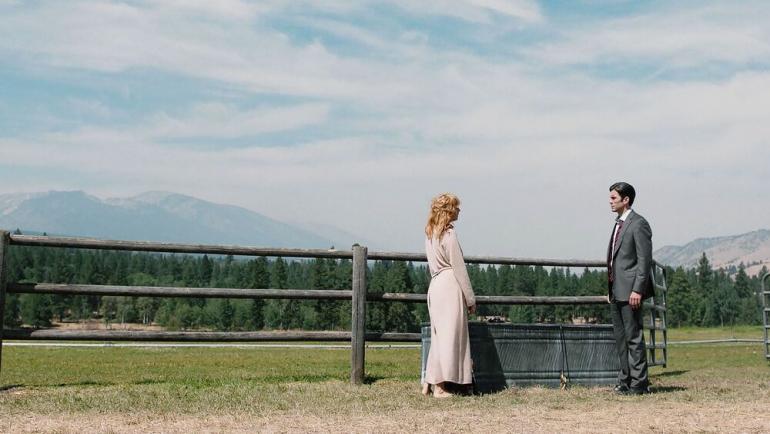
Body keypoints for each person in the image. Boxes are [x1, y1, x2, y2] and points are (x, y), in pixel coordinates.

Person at [422, 193, 476, 398]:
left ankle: (429, 381)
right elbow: (459, 268)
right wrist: (470, 298)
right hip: (449, 286)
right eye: (456, 207)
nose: (459, 210)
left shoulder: (430, 234)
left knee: (438, 336)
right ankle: (440, 387)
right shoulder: (449, 234)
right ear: (448, 210)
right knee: (449, 337)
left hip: (435, 285)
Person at [606, 182, 655, 395]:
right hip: (616, 291)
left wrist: (638, 290)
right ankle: (624, 381)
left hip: (631, 292)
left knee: (633, 337)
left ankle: (639, 384)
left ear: (626, 200)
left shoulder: (639, 224)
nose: (610, 201)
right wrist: (610, 288)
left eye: (614, 198)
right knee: (621, 339)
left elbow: (644, 261)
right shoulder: (619, 224)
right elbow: (616, 260)